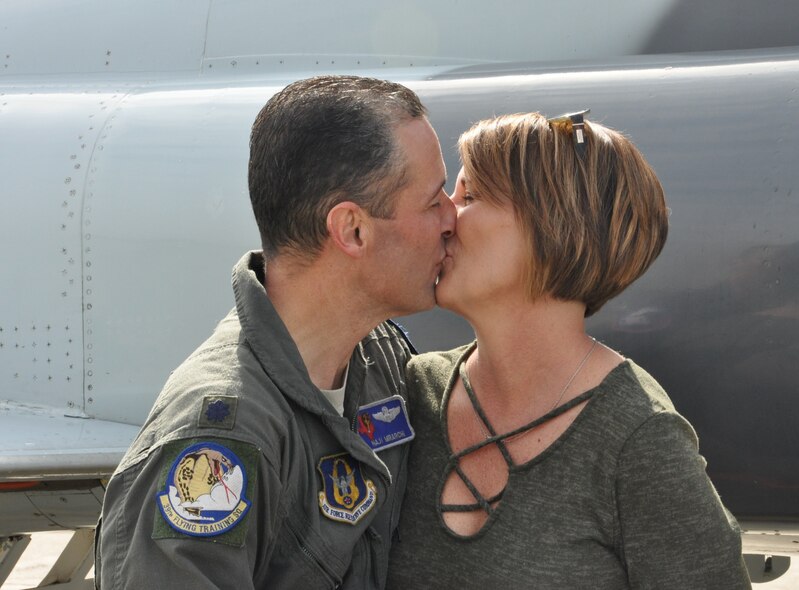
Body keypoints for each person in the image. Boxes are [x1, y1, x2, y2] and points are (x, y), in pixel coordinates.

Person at [95, 75, 455, 589]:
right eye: (432, 200)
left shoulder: (379, 359)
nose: (451, 218)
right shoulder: (219, 439)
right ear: (352, 229)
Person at [386, 112, 752, 588]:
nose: (446, 215)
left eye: (470, 195)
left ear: (553, 223)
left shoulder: (638, 440)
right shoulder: (409, 393)